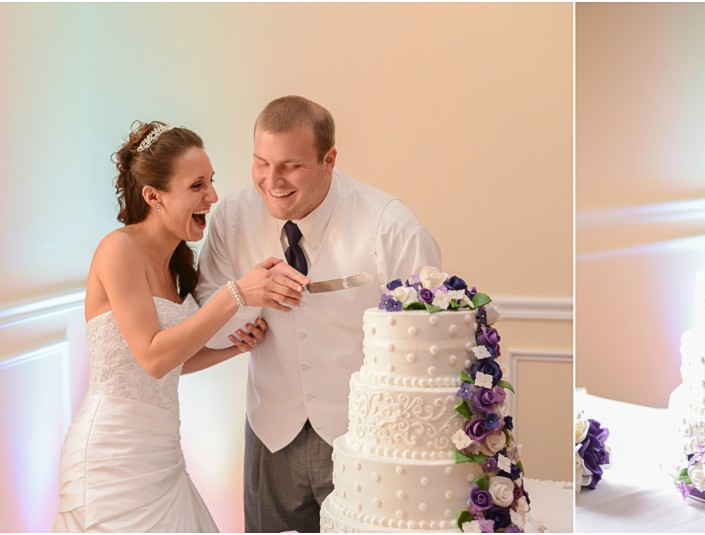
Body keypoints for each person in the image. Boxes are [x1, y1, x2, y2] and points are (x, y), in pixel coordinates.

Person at [194, 96, 441, 532]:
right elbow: (206, 306)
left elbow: (427, 344)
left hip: (363, 439)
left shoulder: (391, 226)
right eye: (260, 163)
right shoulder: (233, 217)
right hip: (270, 431)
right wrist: (245, 305)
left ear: (329, 159)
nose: (272, 181)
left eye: (291, 166)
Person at [54, 121, 308, 532]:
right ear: (153, 196)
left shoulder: (178, 264)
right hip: (111, 456)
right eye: (196, 186)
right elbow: (152, 357)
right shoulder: (118, 249)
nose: (212, 196)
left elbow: (169, 361)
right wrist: (236, 294)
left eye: (211, 182)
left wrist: (233, 349)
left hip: (162, 455)